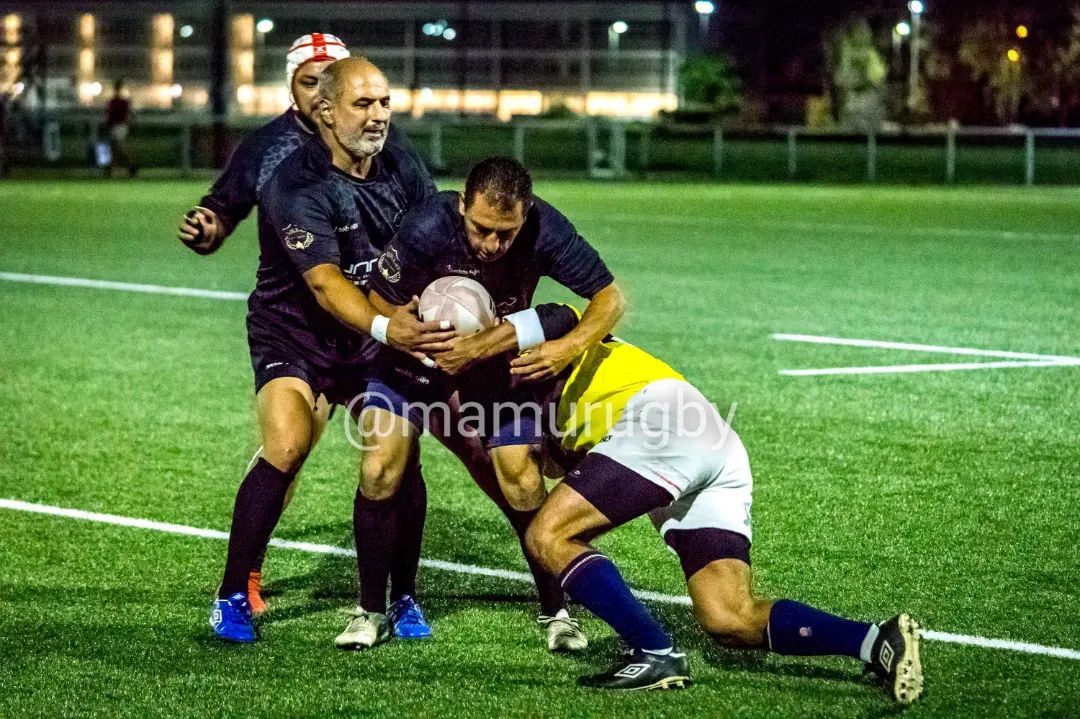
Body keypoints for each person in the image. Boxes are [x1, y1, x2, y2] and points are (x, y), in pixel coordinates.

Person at [460, 303, 923, 702]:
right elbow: (547, 462)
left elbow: (558, 315)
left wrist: (489, 348)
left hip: (662, 422)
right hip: (708, 439)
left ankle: (654, 652)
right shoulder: (504, 392)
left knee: (548, 533)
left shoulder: (532, 332)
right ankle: (874, 641)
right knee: (728, 617)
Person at [178, 34, 432, 618]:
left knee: (397, 454)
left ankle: (404, 597)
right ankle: (235, 592)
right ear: (316, 102)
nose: (376, 116)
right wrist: (391, 327)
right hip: (294, 331)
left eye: (383, 103)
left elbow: (428, 231)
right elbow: (321, 282)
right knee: (288, 443)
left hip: (367, 335)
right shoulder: (286, 169)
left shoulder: (399, 160)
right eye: (360, 103)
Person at [362, 156, 626, 651]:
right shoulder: (428, 225)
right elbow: (378, 298)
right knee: (379, 467)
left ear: (526, 214)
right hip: (419, 357)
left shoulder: (546, 228)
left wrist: (564, 348)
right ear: (462, 205)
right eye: (481, 228)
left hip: (496, 357)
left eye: (506, 233)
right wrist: (410, 332)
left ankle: (557, 612)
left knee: (522, 478)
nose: (491, 244)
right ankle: (371, 609)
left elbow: (608, 298)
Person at [104, 79, 135, 177]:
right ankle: (117, 168)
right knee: (116, 148)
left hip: (119, 126)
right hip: (117, 126)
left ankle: (129, 166)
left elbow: (125, 114)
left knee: (119, 147)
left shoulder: (118, 101)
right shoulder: (117, 101)